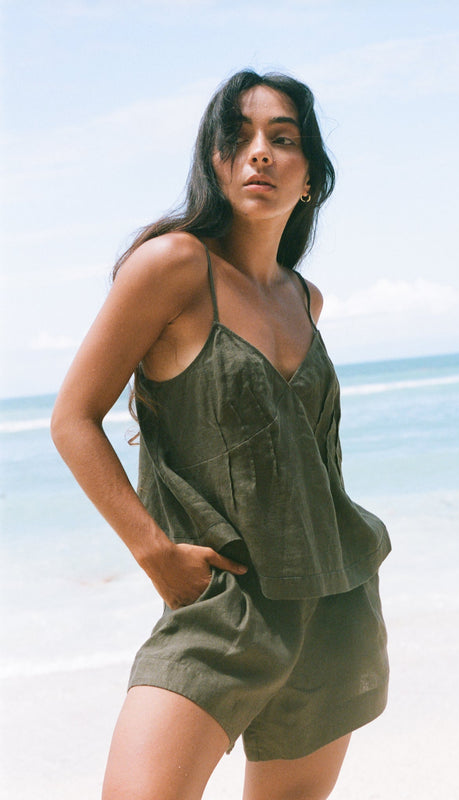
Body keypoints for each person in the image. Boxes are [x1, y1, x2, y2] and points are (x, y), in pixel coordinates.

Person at [51, 69, 391, 800]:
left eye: (283, 138)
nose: (259, 153)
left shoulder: (305, 298)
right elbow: (72, 418)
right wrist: (152, 552)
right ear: (214, 164)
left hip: (335, 602)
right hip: (221, 605)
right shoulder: (173, 265)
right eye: (237, 138)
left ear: (311, 176)